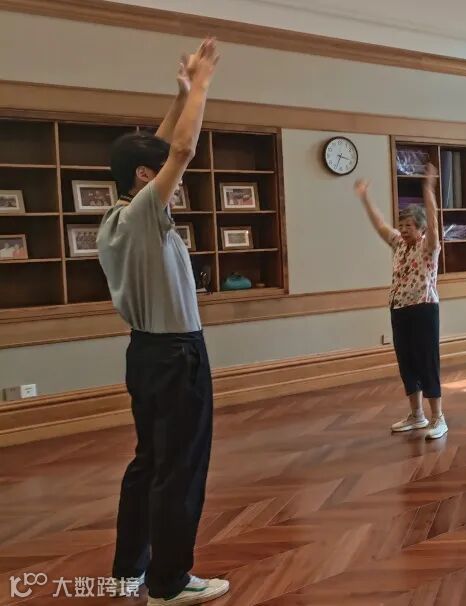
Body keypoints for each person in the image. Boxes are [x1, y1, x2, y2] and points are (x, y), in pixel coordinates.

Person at [98, 39, 230, 605]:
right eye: (158, 172)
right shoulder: (146, 213)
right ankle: (169, 583)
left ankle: (129, 569)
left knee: (149, 462)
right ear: (144, 176)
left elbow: (159, 148)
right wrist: (202, 84)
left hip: (146, 355)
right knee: (180, 469)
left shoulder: (118, 217)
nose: (170, 178)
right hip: (177, 357)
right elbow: (181, 150)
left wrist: (178, 98)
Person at [356, 163, 447, 440]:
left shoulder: (428, 246)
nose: (404, 229)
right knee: (407, 363)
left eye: (409, 226)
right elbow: (379, 225)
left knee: (427, 362)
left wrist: (428, 189)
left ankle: (438, 418)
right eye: (402, 225)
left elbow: (433, 222)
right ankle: (417, 415)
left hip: (424, 309)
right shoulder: (398, 244)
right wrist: (365, 198)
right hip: (399, 309)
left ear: (420, 228)